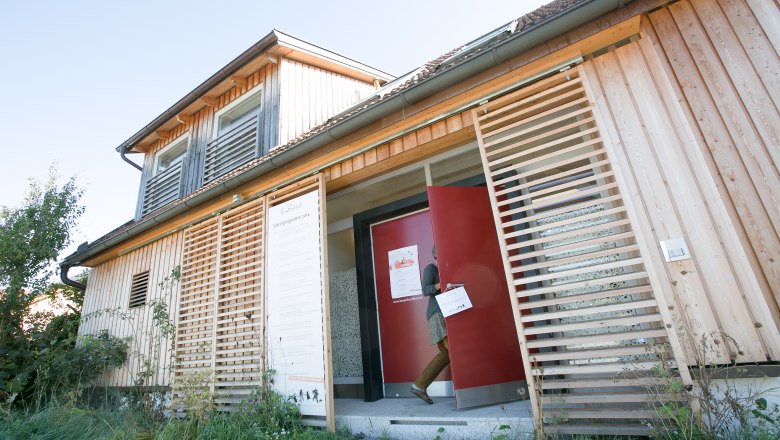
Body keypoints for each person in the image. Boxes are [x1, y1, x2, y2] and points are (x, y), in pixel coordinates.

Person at [410, 246, 449, 404]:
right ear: (435, 255)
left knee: (446, 353)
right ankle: (419, 385)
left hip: (446, 312)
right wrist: (442, 284)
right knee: (451, 350)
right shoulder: (430, 269)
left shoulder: (446, 268)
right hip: (437, 314)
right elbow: (425, 290)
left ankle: (419, 386)